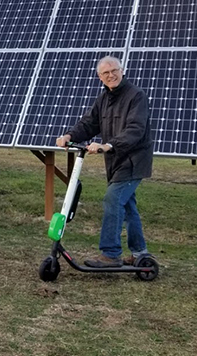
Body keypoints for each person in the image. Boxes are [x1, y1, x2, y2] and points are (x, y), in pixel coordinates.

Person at [55, 56, 153, 268]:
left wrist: (108, 145)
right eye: (105, 73)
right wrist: (70, 136)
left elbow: (135, 130)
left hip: (133, 161)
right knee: (127, 207)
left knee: (113, 199)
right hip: (116, 163)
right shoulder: (104, 99)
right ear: (100, 77)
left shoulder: (136, 97)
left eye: (114, 70)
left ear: (122, 70)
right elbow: (89, 123)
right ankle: (140, 253)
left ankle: (110, 254)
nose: (111, 75)